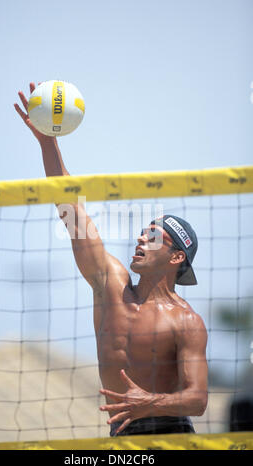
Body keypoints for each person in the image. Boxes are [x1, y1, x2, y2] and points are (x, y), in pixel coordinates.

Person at [14, 83, 208, 437]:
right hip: (122, 433)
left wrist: (149, 402)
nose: (140, 237)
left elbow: (197, 399)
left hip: (173, 433)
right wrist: (47, 142)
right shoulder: (111, 284)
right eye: (142, 230)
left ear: (176, 256)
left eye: (153, 236)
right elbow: (71, 209)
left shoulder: (187, 321)